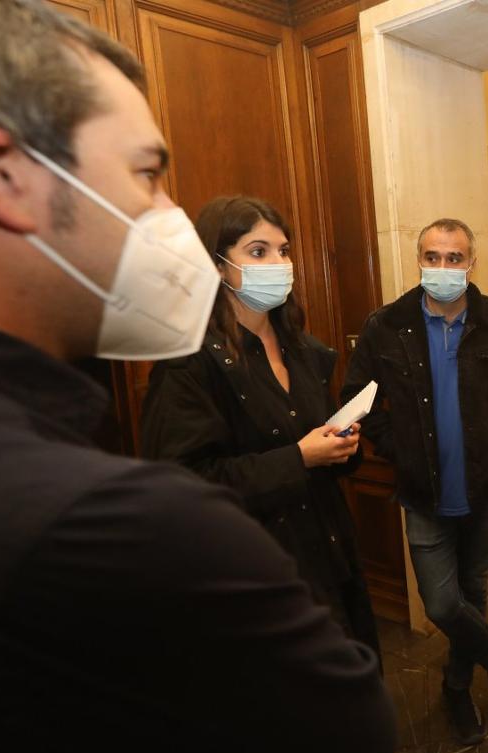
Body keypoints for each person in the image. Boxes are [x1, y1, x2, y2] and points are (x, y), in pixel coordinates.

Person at [0, 2, 394, 753]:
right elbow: (341, 743)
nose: (167, 216)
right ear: (3, 177)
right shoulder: (101, 525)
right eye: (147, 174)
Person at [140, 195, 380, 658]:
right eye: (258, 251)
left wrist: (342, 448)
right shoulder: (188, 361)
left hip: (329, 555)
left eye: (284, 250)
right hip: (255, 574)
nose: (279, 263)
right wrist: (299, 458)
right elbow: (181, 484)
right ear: (216, 264)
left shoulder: (304, 349)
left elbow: (318, 440)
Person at [341, 218, 488, 745]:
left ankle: (456, 688)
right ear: (419, 261)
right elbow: (359, 400)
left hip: (483, 489)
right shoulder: (386, 325)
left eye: (455, 258)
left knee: (472, 594)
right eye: (433, 257)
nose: (443, 268)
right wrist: (398, 451)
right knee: (441, 605)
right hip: (423, 492)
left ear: (471, 263)